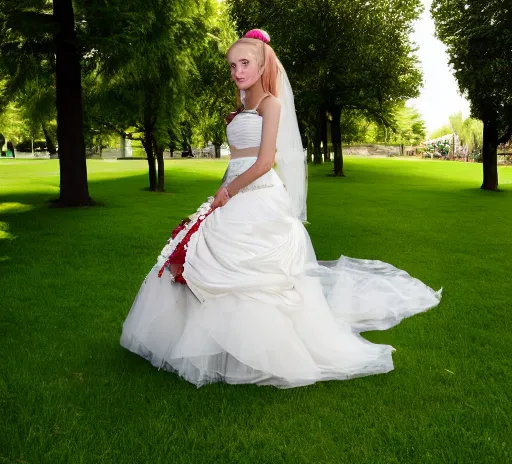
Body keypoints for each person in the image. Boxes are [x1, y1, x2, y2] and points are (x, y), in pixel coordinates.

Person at [120, 29, 441, 388]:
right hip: (233, 189)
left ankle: (262, 350)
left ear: (261, 66)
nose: (237, 71)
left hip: (257, 193)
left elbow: (264, 161)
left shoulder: (270, 104)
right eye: (231, 66)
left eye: (245, 64)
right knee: (201, 252)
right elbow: (239, 159)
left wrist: (229, 191)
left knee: (250, 270)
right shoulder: (241, 109)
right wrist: (218, 194)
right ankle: (210, 345)